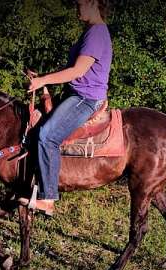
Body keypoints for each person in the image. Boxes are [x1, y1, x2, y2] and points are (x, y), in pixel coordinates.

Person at [24, 0, 112, 216]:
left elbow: (76, 72)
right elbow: (72, 69)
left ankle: (48, 198)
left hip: (85, 98)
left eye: (80, 3)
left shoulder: (96, 33)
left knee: (47, 136)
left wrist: (43, 81)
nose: (76, 7)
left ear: (93, 3)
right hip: (77, 94)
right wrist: (44, 79)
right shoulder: (91, 31)